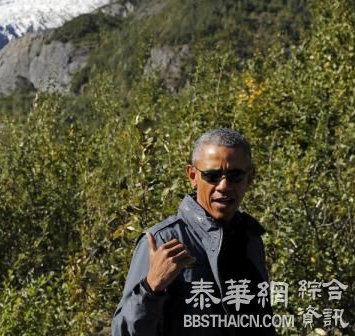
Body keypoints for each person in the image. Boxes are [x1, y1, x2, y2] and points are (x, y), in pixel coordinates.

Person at [112, 128, 276, 336]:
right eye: (212, 175)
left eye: (235, 175)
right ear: (192, 175)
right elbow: (123, 332)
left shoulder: (251, 239)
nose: (223, 186)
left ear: (250, 177)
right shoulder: (162, 241)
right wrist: (150, 288)